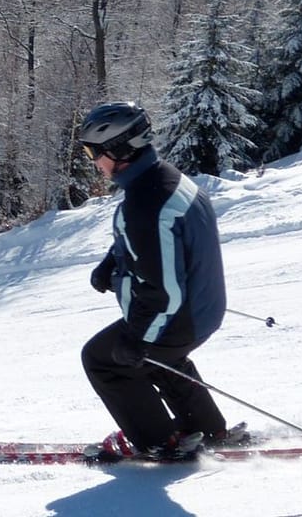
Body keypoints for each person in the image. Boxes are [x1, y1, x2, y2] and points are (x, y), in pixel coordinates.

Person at [76, 101, 233, 463]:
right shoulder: (164, 179)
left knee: (106, 359)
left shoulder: (145, 205)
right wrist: (111, 261)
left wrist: (137, 341)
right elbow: (159, 244)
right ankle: (209, 429)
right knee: (164, 355)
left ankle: (159, 441)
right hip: (203, 306)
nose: (92, 162)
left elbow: (162, 294)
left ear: (119, 150)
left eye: (93, 152)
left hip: (182, 314)